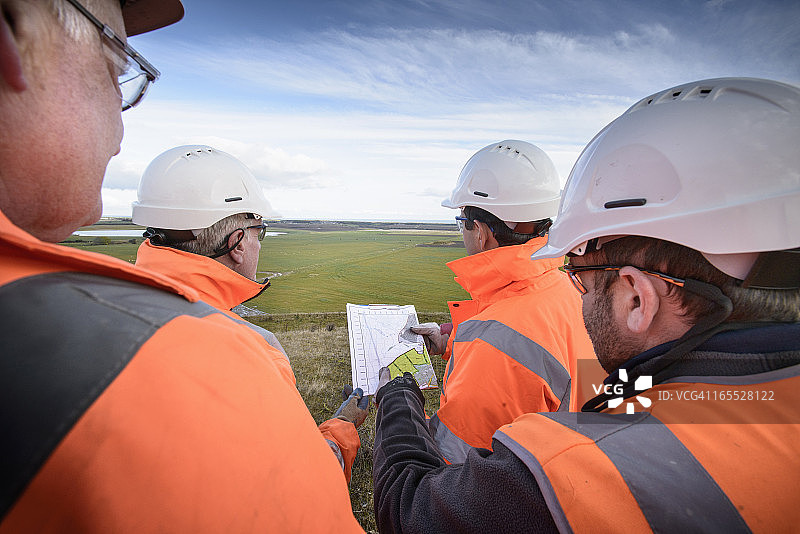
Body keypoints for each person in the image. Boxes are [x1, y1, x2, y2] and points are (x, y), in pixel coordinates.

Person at [372, 77, 800, 533]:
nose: (577, 290)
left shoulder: (571, 476)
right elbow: (588, 375)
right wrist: (455, 340)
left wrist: (397, 397)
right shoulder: (737, 398)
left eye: (583, 279)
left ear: (638, 298)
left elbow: (415, 509)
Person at [0, 1, 364, 531]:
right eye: (113, 72)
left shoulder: (50, 306)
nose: (120, 135)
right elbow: (302, 499)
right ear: (238, 241)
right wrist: (346, 429)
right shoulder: (223, 353)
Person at [131, 144, 367, 481]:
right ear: (238, 243)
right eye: (260, 232)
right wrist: (343, 425)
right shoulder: (253, 352)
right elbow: (303, 477)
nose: (260, 243)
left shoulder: (101, 311)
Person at [410, 140, 595, 462]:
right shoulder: (571, 288)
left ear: (480, 231)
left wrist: (398, 404)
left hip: (525, 500)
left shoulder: (494, 345)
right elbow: (543, 360)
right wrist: (450, 339)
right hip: (573, 469)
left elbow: (452, 465)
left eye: (461, 222)